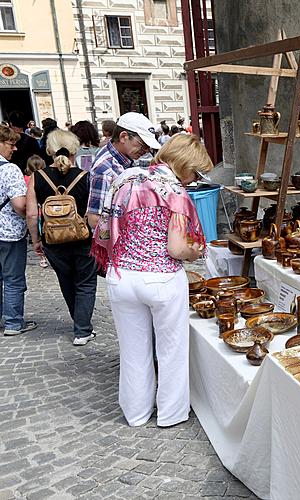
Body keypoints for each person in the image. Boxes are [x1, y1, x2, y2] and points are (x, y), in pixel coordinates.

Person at [92, 133, 211, 427]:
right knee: (171, 351)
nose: (193, 178)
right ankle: (170, 414)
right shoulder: (175, 192)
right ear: (183, 164)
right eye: (194, 171)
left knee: (133, 350)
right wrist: (197, 250)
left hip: (121, 277)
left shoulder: (125, 180)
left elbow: (105, 230)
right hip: (161, 279)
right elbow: (177, 248)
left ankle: (136, 413)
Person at [26, 130, 97, 345]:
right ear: (75, 150)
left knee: (66, 280)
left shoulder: (37, 177)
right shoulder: (86, 176)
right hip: (82, 238)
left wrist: (36, 240)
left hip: (53, 240)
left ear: (49, 151)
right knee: (85, 281)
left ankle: (80, 323)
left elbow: (31, 213)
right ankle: (82, 330)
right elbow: (93, 213)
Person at [86, 112, 160, 229]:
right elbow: (95, 220)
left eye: (148, 147)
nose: (146, 150)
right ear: (123, 137)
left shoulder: (121, 157)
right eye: (143, 145)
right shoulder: (105, 170)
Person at [0, 125, 37, 336]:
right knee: (13, 278)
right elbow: (20, 205)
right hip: (9, 232)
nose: (13, 149)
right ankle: (14, 322)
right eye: (10, 144)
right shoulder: (9, 170)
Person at [25, 155, 49, 269]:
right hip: (44, 213)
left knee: (37, 237)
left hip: (33, 212)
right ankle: (45, 255)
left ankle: (42, 257)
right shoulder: (46, 178)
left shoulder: (25, 179)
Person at [8, 111, 43, 175]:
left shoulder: (7, 142)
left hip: (12, 174)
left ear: (10, 123)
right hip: (31, 175)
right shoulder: (32, 141)